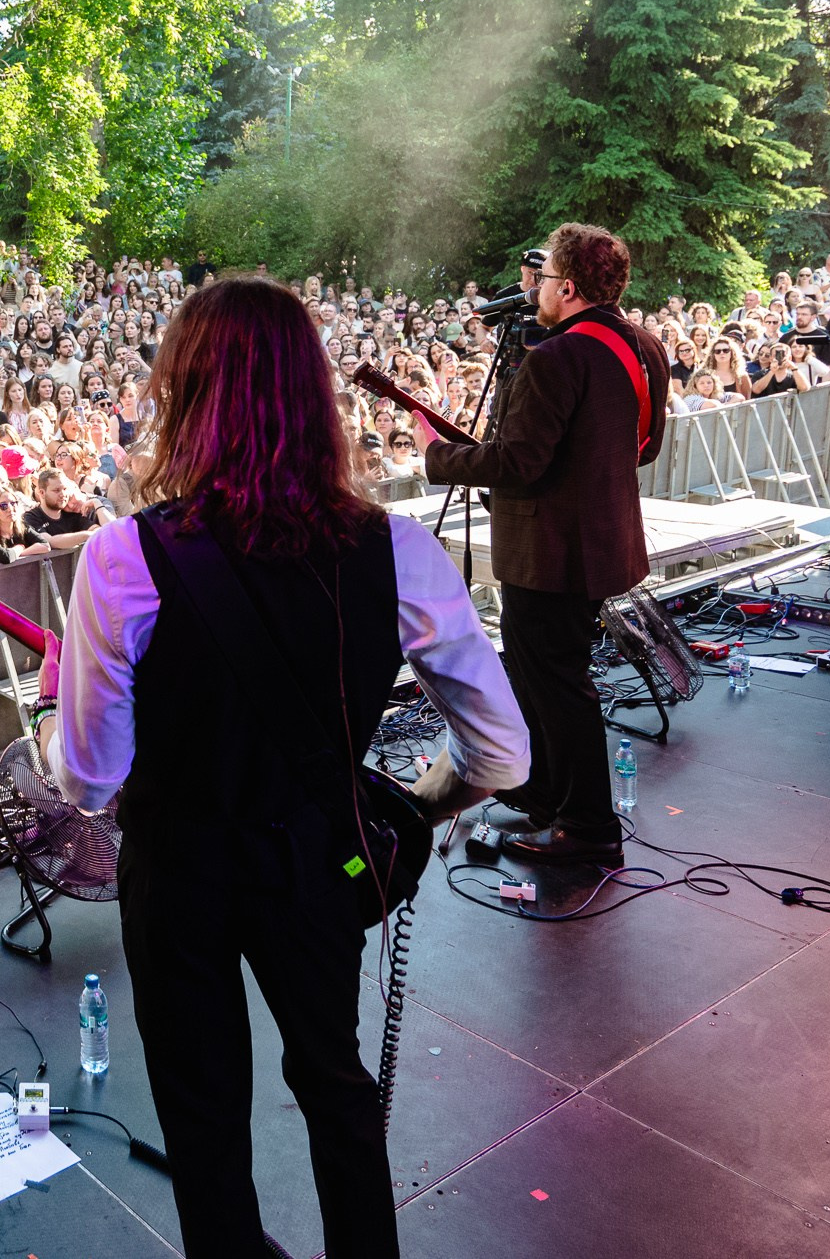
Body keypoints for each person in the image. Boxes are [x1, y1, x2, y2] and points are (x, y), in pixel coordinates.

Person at [49, 275, 526, 1259]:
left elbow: (92, 779)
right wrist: (421, 801)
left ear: (184, 394)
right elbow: (503, 751)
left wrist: (73, 712)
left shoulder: (121, 560)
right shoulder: (398, 548)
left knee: (202, 1104)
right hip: (317, 861)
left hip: (178, 871)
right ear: (314, 395)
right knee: (335, 1082)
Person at [412, 222, 667, 867]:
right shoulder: (643, 348)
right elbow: (645, 446)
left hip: (550, 553)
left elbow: (521, 462)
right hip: (604, 543)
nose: (538, 290)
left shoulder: (557, 358)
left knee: (556, 684)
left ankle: (585, 828)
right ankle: (549, 797)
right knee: (549, 675)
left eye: (546, 278)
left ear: (571, 287)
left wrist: (436, 457)